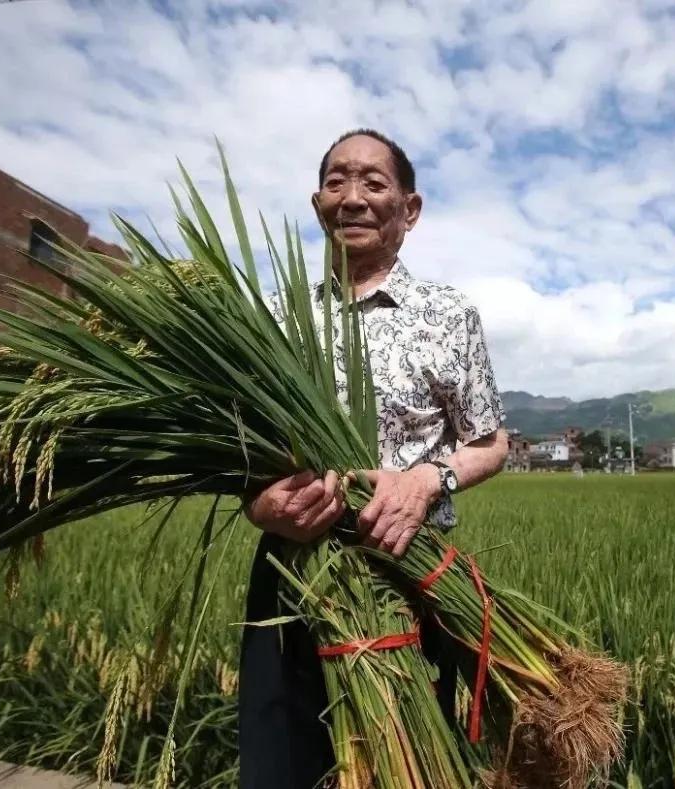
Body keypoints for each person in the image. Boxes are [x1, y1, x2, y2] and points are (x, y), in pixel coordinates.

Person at [238, 129, 508, 789]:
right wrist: (259, 502)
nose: (352, 197)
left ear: (409, 210)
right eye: (336, 181)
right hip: (293, 575)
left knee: (404, 766)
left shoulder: (448, 315)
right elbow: (239, 447)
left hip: (406, 573)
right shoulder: (275, 319)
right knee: (282, 768)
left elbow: (489, 440)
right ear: (317, 204)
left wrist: (426, 480)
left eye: (373, 182)